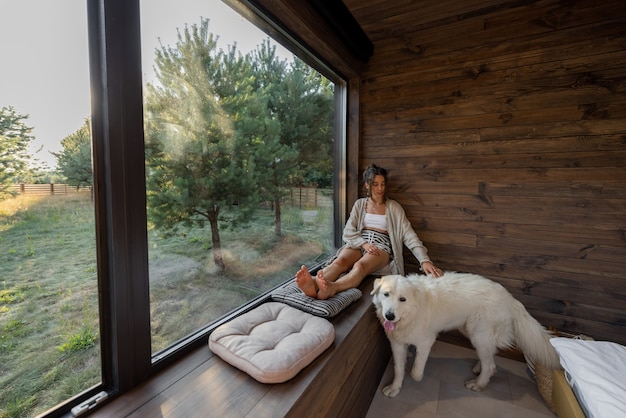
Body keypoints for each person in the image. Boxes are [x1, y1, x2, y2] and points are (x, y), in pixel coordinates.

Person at [296, 164, 443, 300]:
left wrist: (424, 260)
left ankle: (332, 288)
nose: (380, 188)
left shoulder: (394, 207)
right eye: (375, 184)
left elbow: (410, 236)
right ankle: (314, 284)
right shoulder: (360, 204)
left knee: (360, 266)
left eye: (383, 184)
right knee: (340, 261)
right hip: (360, 241)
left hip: (381, 246)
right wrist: (363, 244)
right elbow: (348, 231)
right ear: (367, 185)